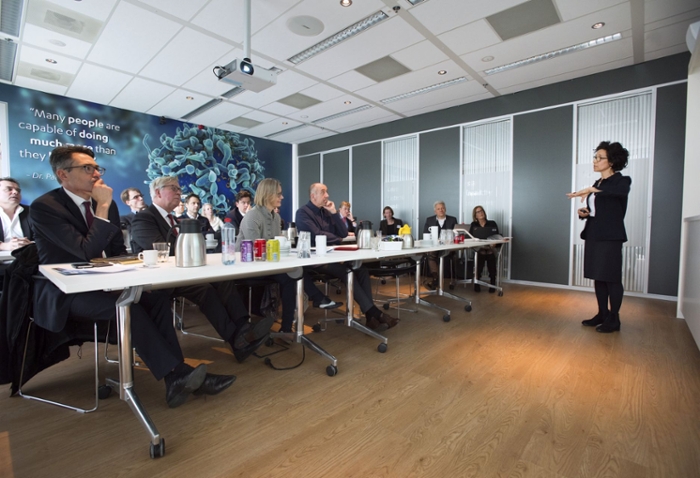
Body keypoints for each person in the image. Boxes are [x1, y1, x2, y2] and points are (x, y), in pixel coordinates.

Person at [30, 145, 235, 408]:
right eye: (87, 168)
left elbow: (115, 251)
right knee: (130, 308)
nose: (95, 174)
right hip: (67, 291)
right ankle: (177, 375)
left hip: (106, 284)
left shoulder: (105, 204)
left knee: (157, 298)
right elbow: (85, 252)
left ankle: (176, 377)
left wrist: (134, 273)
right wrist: (103, 206)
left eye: (96, 168)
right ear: (63, 174)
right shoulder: (45, 207)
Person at [130, 176, 274, 361]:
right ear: (157, 192)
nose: (178, 192)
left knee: (223, 279)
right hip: (160, 279)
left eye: (178, 188)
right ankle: (238, 339)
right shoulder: (144, 218)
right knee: (205, 289)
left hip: (183, 272)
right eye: (173, 188)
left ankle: (243, 329)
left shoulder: (172, 219)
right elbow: (162, 249)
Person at [237, 179, 342, 334]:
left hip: (269, 265)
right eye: (279, 194)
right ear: (268, 194)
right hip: (248, 267)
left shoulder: (276, 218)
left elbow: (276, 247)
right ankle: (316, 300)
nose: (282, 197)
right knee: (291, 275)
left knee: (293, 274)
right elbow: (255, 250)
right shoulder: (252, 217)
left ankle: (287, 327)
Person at [296, 183, 398, 331]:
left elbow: (343, 233)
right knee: (347, 271)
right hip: (315, 261)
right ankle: (374, 313)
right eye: (323, 192)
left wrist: (333, 213)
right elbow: (318, 234)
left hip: (333, 256)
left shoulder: (326, 212)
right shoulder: (302, 213)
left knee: (361, 270)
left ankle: (370, 317)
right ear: (313, 196)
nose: (327, 195)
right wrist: (336, 238)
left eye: (327, 192)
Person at [567, 141, 631, 333]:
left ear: (611, 161)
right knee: (599, 277)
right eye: (595, 157)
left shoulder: (621, 181)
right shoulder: (598, 183)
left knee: (611, 278)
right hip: (594, 233)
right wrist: (585, 212)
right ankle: (602, 313)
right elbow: (599, 209)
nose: (595, 161)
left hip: (610, 236)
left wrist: (592, 190)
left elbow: (619, 193)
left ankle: (614, 318)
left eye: (599, 157)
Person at [1, 178, 33, 288]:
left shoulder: (31, 212)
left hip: (28, 265)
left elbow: (43, 237)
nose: (15, 192)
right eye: (9, 189)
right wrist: (5, 246)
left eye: (18, 191)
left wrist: (29, 245)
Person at [422, 201, 458, 289]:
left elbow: (456, 234)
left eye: (442, 208)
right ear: (435, 211)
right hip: (434, 246)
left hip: (448, 247)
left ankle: (436, 280)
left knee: (435, 254)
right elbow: (425, 234)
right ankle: (436, 278)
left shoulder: (452, 219)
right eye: (438, 209)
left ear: (445, 209)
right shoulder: (429, 220)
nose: (441, 210)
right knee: (431, 254)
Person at [469, 206, 499, 293]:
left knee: (490, 254)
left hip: (490, 248)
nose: (480, 213)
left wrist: (494, 243)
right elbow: (471, 237)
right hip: (479, 249)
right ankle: (477, 283)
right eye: (478, 212)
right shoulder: (473, 225)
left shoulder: (492, 223)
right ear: (475, 216)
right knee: (480, 255)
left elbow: (497, 236)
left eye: (481, 211)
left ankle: (492, 283)